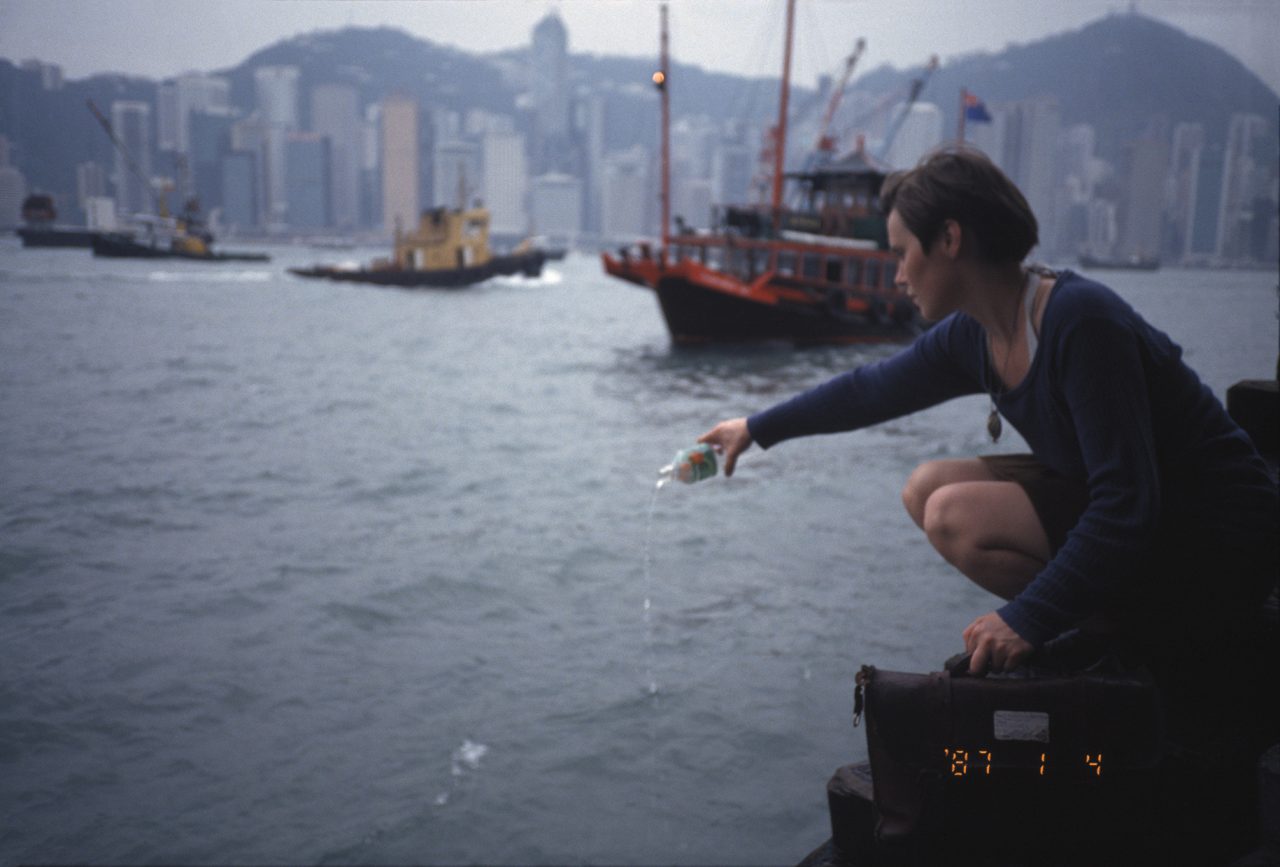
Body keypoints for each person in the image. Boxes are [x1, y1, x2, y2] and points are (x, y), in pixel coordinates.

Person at [698, 146, 1277, 686]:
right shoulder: (975, 334)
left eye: (902, 252)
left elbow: (1127, 500)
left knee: (955, 512)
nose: (897, 274)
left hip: (1220, 543)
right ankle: (1104, 627)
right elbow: (869, 390)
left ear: (950, 238)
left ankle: (1126, 637)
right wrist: (756, 428)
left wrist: (1028, 617)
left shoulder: (1079, 320)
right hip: (1156, 515)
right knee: (927, 488)